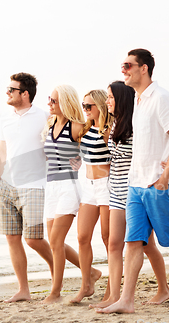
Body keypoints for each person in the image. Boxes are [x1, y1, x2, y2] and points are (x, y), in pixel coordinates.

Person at [97, 49, 169, 313]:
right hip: (135, 185)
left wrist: (165, 177)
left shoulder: (161, 98)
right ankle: (126, 300)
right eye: (122, 65)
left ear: (144, 68)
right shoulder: (138, 101)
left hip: (157, 185)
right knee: (133, 242)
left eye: (128, 65)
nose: (123, 70)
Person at [90, 81, 169, 309]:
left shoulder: (137, 126)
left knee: (146, 245)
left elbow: (155, 148)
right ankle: (114, 296)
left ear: (121, 99)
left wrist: (163, 169)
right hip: (115, 190)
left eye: (110, 97)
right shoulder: (115, 125)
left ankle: (164, 288)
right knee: (114, 244)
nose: (107, 102)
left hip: (135, 190)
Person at [0, 72, 54, 303]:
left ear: (25, 93)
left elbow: (55, 147)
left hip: (35, 185)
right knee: (12, 238)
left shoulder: (45, 116)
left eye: (12, 89)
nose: (7, 93)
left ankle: (60, 276)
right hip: (7, 186)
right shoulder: (5, 117)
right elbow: (3, 149)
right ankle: (23, 290)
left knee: (34, 239)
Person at [42, 85, 101, 304]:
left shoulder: (76, 128)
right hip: (52, 188)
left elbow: (91, 152)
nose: (49, 103)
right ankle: (92, 273)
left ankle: (55, 292)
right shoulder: (49, 126)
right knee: (53, 242)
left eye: (54, 100)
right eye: (49, 99)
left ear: (65, 103)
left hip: (70, 187)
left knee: (57, 241)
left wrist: (77, 163)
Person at [70, 90, 113, 303]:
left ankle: (112, 290)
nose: (85, 110)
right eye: (83, 106)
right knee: (82, 237)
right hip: (87, 186)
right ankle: (86, 284)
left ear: (100, 106)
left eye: (89, 106)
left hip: (106, 187)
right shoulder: (84, 128)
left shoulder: (108, 130)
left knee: (108, 239)